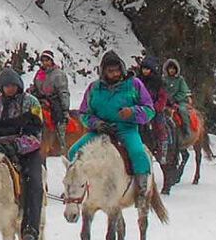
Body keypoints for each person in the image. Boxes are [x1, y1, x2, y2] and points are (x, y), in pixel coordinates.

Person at [66, 51, 154, 208]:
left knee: (138, 154)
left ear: (122, 69)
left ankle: (141, 192)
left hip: (126, 129)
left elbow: (149, 109)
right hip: (100, 131)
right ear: (103, 71)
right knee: (74, 152)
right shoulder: (94, 88)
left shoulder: (134, 84)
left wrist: (132, 112)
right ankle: (78, 189)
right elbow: (84, 113)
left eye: (117, 70)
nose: (114, 74)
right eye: (110, 71)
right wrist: (96, 123)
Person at [0, 67, 45, 240]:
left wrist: (17, 145)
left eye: (13, 85)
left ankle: (31, 226)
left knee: (34, 181)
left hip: (25, 149)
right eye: (6, 86)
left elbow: (36, 133)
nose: (10, 89)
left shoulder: (31, 103)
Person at [27, 49, 70, 153]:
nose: (45, 63)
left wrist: (65, 109)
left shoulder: (58, 74)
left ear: (51, 61)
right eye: (43, 60)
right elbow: (35, 86)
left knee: (58, 120)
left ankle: (62, 144)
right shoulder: (39, 73)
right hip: (39, 100)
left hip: (54, 101)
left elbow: (63, 92)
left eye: (47, 60)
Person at [138, 54, 169, 155]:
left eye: (147, 69)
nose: (145, 71)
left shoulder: (158, 81)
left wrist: (156, 107)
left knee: (160, 125)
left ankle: (163, 145)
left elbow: (162, 96)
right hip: (140, 109)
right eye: (143, 68)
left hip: (154, 109)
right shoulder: (138, 81)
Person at [163, 58, 191, 134]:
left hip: (179, 102)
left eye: (173, 68)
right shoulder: (163, 79)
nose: (172, 70)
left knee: (182, 111)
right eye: (170, 68)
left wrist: (174, 99)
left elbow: (183, 92)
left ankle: (186, 130)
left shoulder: (180, 80)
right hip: (165, 102)